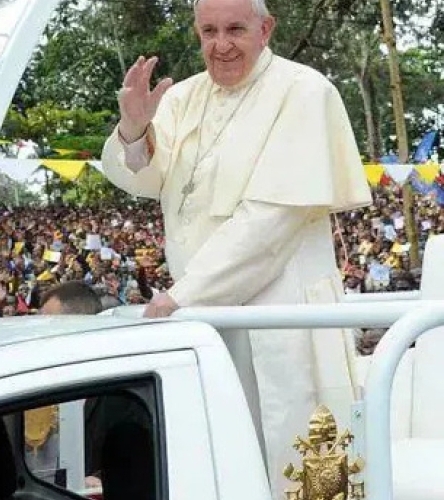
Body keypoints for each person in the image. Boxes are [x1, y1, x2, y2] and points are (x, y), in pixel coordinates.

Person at [101, 0, 372, 495]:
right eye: (208, 31)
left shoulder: (304, 91)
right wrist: (135, 129)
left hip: (281, 314)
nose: (220, 45)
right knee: (224, 465)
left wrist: (180, 296)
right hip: (204, 316)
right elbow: (145, 179)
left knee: (301, 472)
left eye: (235, 29)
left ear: (265, 29)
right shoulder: (182, 96)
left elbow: (269, 224)